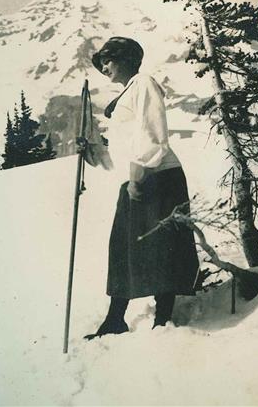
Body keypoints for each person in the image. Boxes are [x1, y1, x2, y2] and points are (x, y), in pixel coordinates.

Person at [84, 36, 200, 340]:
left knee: (161, 246)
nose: (105, 66)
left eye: (108, 59)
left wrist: (138, 173)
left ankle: (163, 321)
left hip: (157, 174)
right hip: (138, 176)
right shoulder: (127, 93)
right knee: (123, 246)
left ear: (125, 59)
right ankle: (115, 320)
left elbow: (153, 131)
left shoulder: (144, 82)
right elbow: (123, 144)